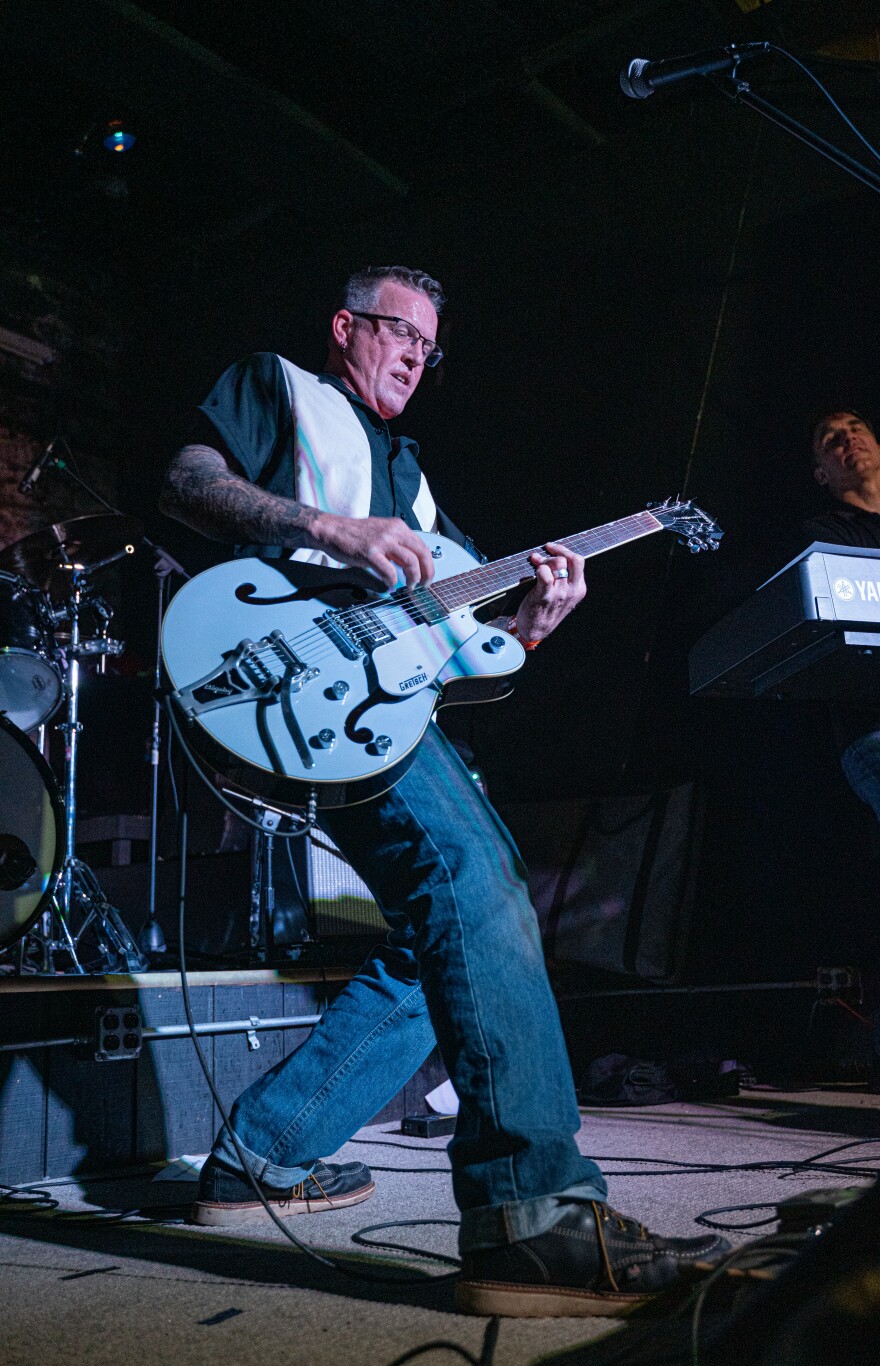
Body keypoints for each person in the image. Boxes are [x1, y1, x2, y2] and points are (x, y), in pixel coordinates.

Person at [160, 264, 728, 1317]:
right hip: (281, 661)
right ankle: (530, 1210)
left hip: (368, 711)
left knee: (447, 934)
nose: (419, 359)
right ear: (345, 327)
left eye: (431, 348)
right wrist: (332, 531)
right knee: (477, 881)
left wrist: (526, 627)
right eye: (399, 334)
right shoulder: (279, 387)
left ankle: (263, 1154)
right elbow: (189, 481)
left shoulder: (415, 481)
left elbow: (455, 654)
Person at [806, 409, 880, 820]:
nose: (848, 438)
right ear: (821, 475)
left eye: (856, 428)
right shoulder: (825, 534)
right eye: (831, 437)